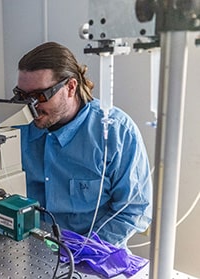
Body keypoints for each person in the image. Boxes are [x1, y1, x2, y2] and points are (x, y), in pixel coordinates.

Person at [13, 41, 152, 248]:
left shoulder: (115, 132)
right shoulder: (17, 127)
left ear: (70, 87)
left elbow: (133, 210)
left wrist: (81, 251)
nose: (30, 108)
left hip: (94, 252)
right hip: (29, 247)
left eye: (39, 97)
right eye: (22, 96)